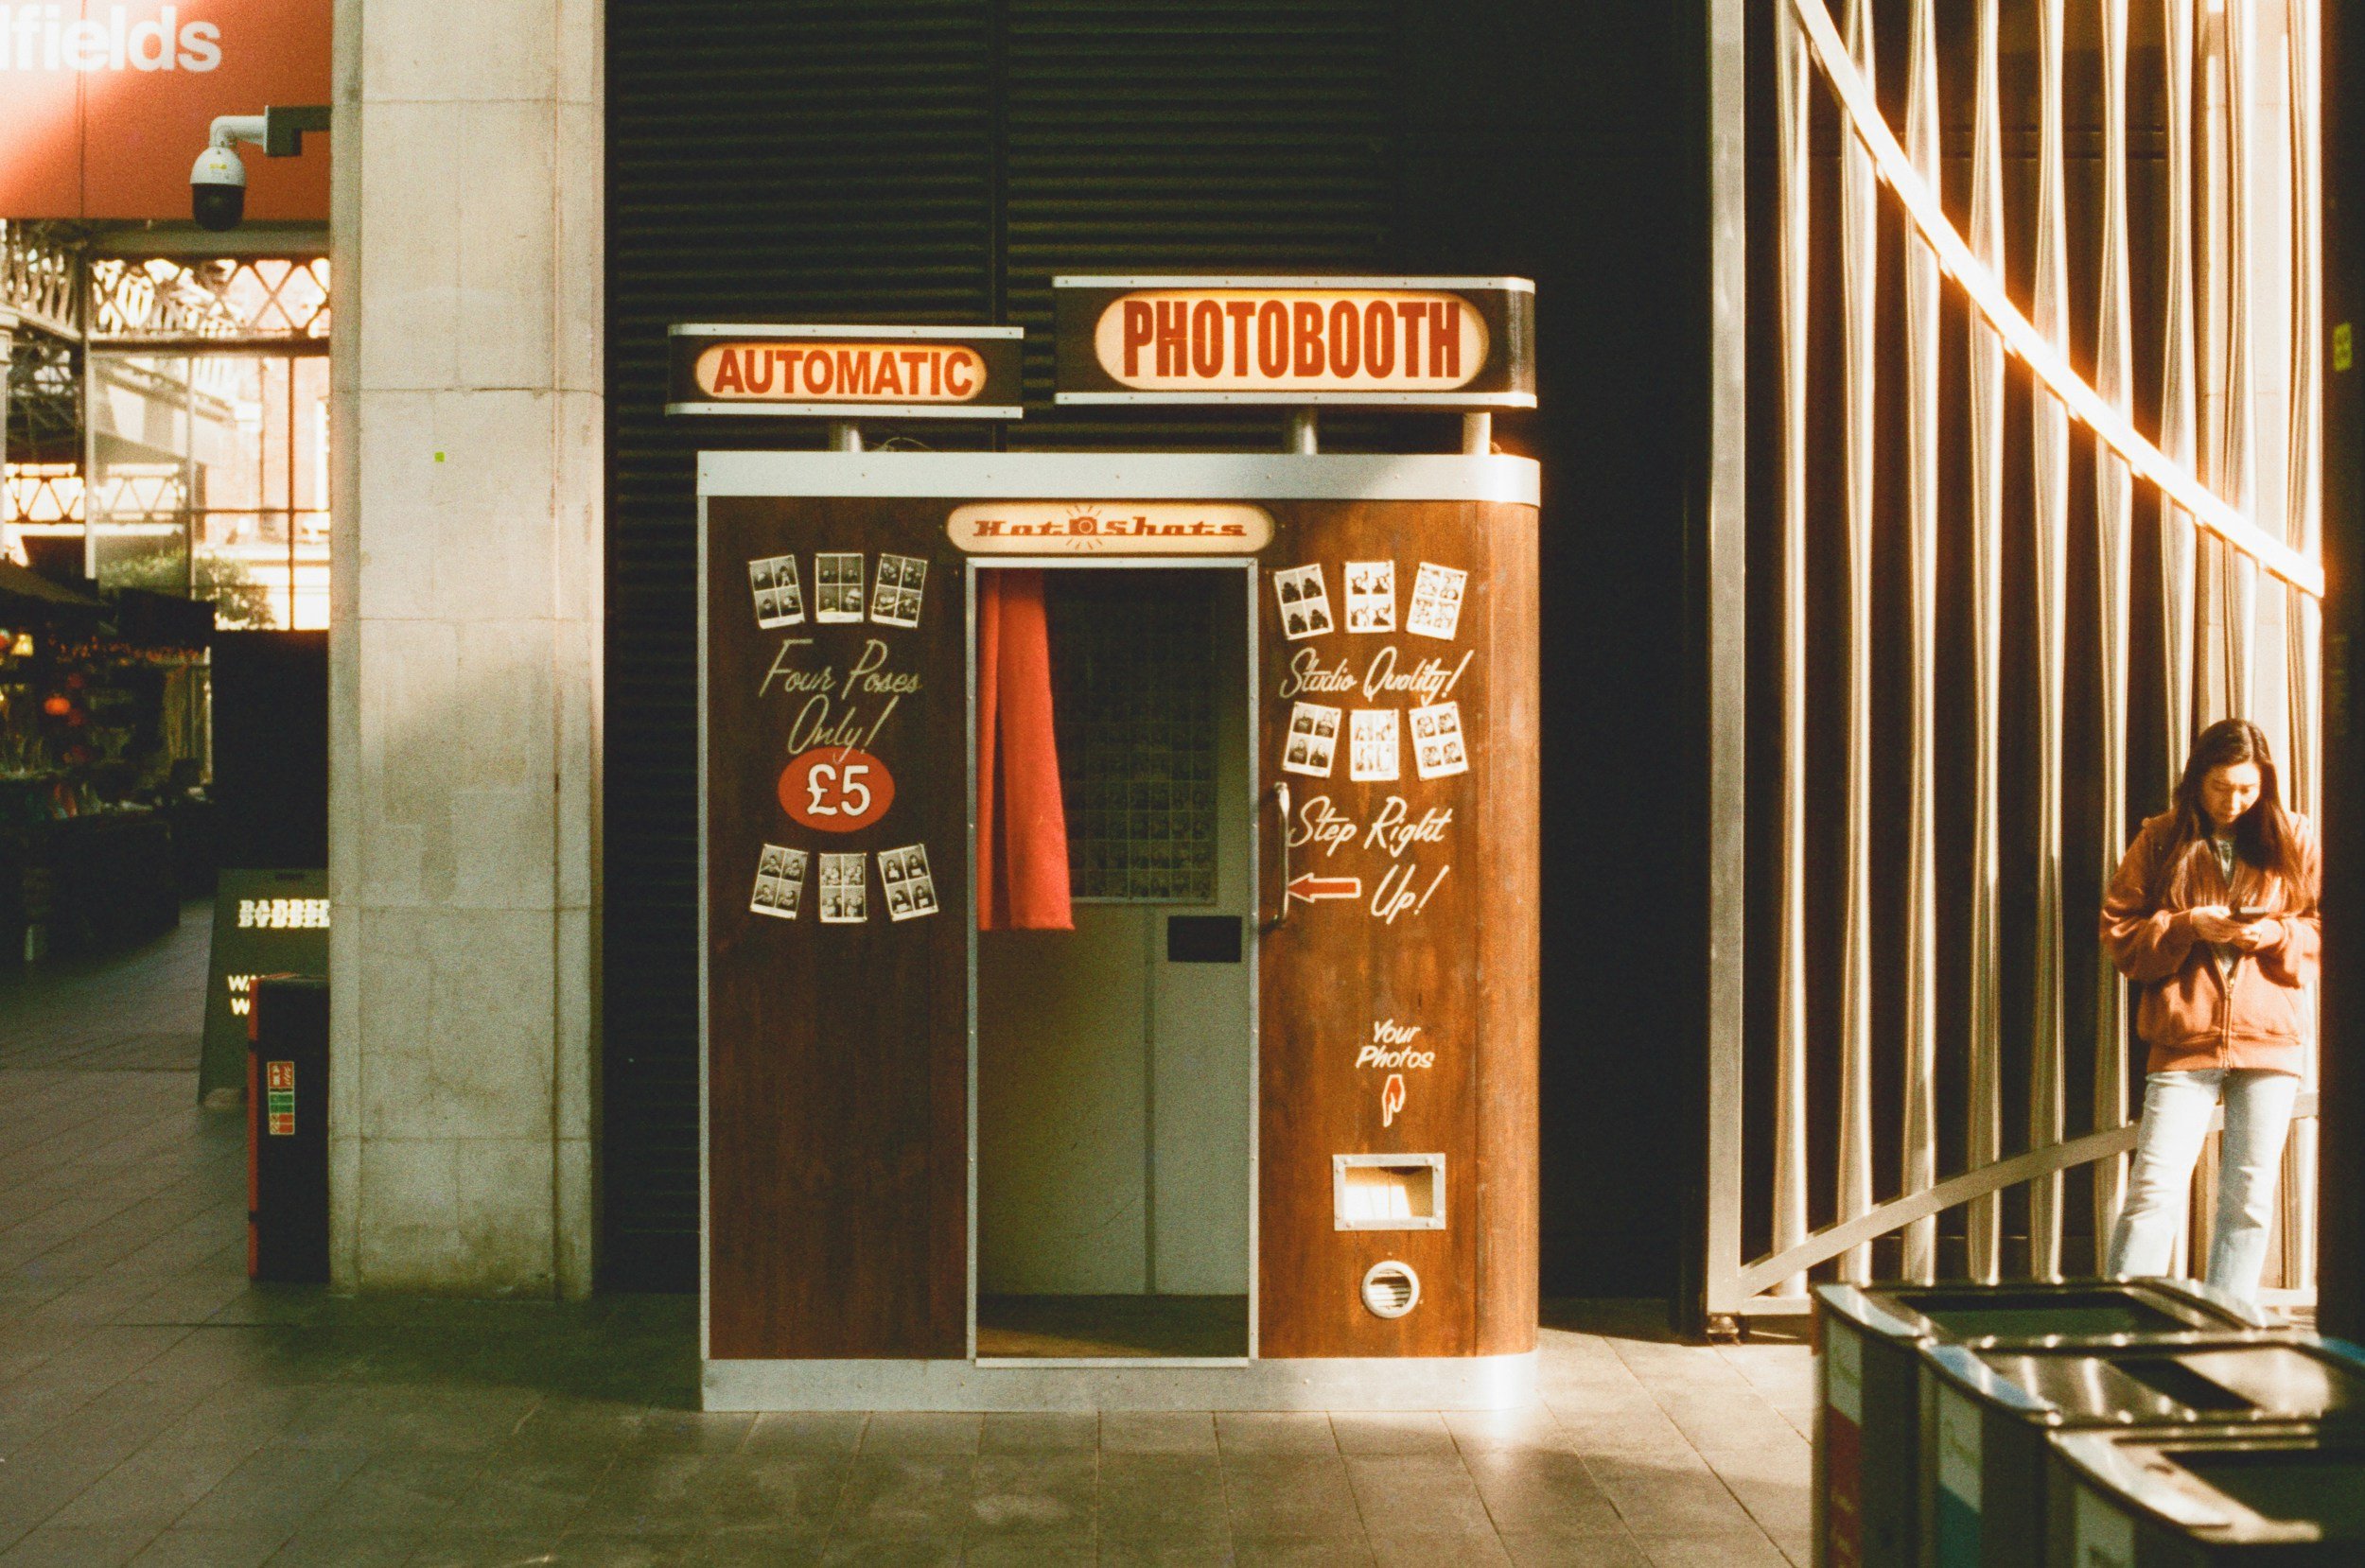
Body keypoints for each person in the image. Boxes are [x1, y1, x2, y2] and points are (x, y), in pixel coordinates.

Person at [2101, 718, 2320, 1304]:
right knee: (2153, 1190)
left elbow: (2330, 927)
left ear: (2265, 784)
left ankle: (2227, 1317)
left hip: (2269, 1038)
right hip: (2183, 1037)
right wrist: (2185, 925)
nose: (2233, 801)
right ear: (2197, 779)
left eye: (2247, 789)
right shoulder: (2161, 837)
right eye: (2221, 787)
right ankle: (2123, 1317)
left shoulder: (2295, 837)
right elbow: (2119, 932)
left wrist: (2275, 934)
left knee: (2249, 1196)